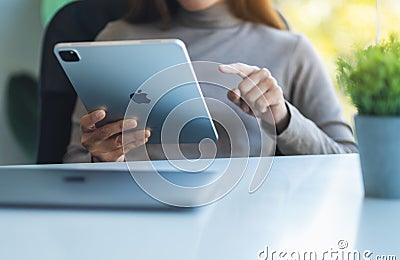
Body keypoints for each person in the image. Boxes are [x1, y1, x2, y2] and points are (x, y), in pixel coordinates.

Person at [63, 0, 358, 163]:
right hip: (137, 229)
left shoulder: (290, 50)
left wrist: (282, 119)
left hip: (247, 232)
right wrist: (102, 159)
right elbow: (73, 162)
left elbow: (347, 162)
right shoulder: (116, 39)